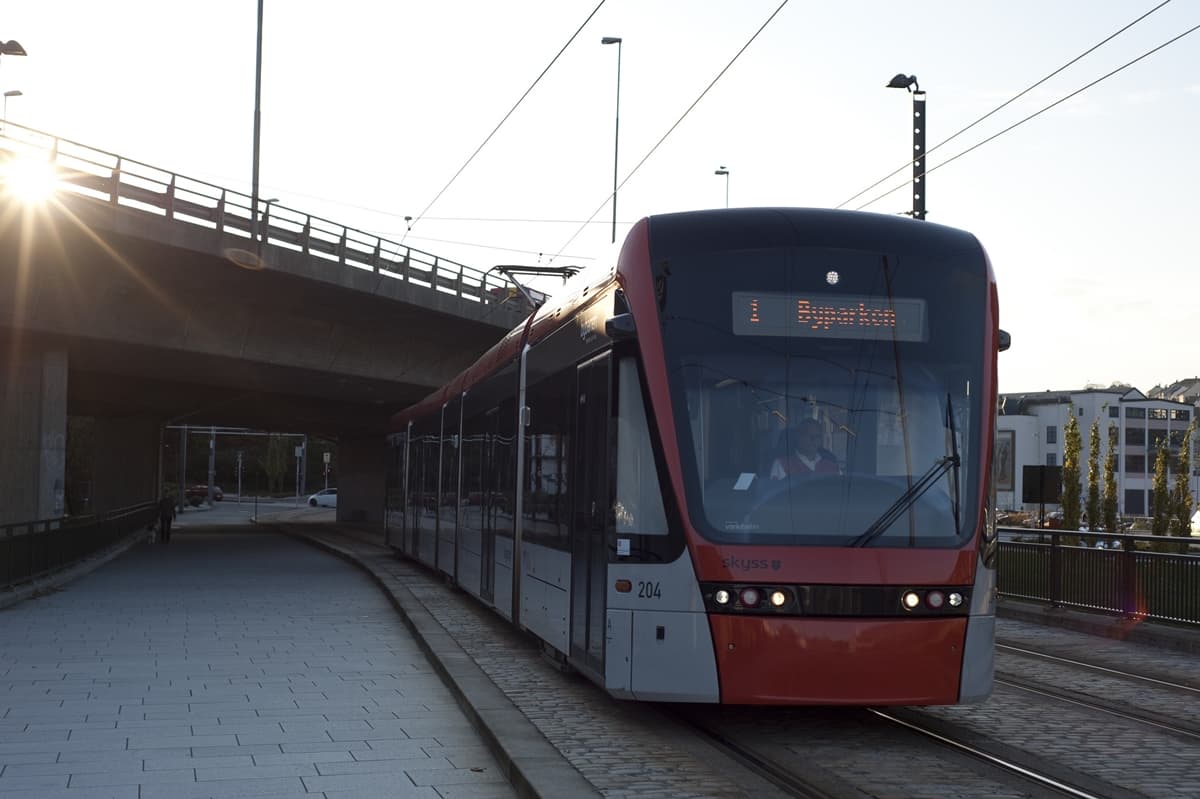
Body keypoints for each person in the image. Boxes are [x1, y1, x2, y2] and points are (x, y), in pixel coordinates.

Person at [769, 419, 839, 479]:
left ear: (820, 440)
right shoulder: (782, 464)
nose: (813, 439)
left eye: (817, 436)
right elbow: (776, 490)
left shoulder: (832, 464)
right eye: (808, 435)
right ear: (798, 437)